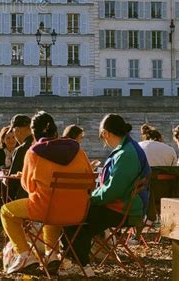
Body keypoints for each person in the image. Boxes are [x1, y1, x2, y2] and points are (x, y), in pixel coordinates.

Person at [0, 111, 92, 275]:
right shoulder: (78, 151)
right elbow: (90, 180)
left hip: (48, 209)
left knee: (6, 211)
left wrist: (25, 177)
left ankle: (24, 254)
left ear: (34, 134)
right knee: (52, 203)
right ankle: (52, 255)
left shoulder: (34, 152)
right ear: (56, 132)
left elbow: (29, 187)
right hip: (78, 211)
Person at [68, 114, 151, 277]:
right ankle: (79, 263)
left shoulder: (125, 153)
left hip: (124, 209)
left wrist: (89, 198)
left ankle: (79, 265)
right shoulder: (128, 148)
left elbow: (113, 190)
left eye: (102, 137)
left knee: (73, 219)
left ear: (106, 133)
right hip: (126, 205)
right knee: (79, 220)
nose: (103, 141)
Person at [5, 114, 34, 201]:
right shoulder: (40, 145)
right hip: (42, 196)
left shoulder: (21, 149)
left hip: (24, 198)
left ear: (17, 130)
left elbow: (11, 182)